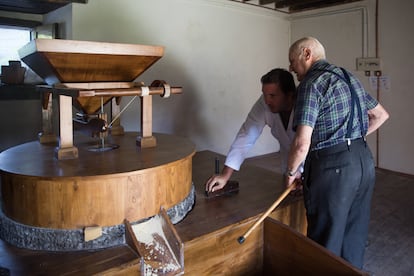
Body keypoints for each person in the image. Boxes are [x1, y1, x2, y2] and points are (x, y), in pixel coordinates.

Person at [285, 37, 389, 269]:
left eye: (292, 61)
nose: (291, 68)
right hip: (364, 162)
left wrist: (291, 172)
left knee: (325, 240)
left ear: (307, 53)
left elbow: (302, 143)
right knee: (354, 235)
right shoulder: (349, 77)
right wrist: (351, 139)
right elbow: (381, 115)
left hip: (333, 169)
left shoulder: (312, 83)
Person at [205, 68, 302, 193]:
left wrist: (300, 172)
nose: (267, 101)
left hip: (311, 164)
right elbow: (246, 135)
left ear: (289, 95)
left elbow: (305, 144)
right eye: (265, 95)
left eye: (272, 96)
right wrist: (225, 175)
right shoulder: (264, 103)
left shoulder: (304, 105)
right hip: (288, 164)